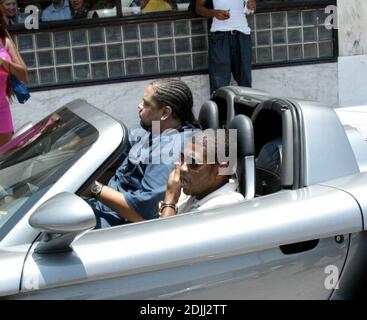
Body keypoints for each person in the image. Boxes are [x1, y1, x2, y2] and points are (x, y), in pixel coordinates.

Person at [87, 79, 198, 229]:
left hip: (117, 223)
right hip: (102, 207)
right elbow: (120, 141)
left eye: (146, 104)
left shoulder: (170, 151)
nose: (139, 106)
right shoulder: (155, 130)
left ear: (165, 112)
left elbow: (143, 213)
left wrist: (94, 188)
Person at [159, 129, 244, 217]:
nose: (182, 168)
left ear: (222, 169)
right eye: (182, 158)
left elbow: (162, 231)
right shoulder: (195, 191)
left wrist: (170, 199)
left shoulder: (227, 206)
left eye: (193, 162)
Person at [195, 0, 256, 94]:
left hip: (242, 35)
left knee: (245, 84)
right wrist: (214, 13)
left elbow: (250, 7)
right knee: (219, 85)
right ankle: (219, 108)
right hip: (220, 36)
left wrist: (251, 6)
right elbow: (198, 7)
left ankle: (246, 108)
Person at [0, 6, 28, 147]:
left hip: (1, 110)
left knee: (3, 159)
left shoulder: (5, 42)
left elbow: (24, 74)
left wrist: (5, 63)